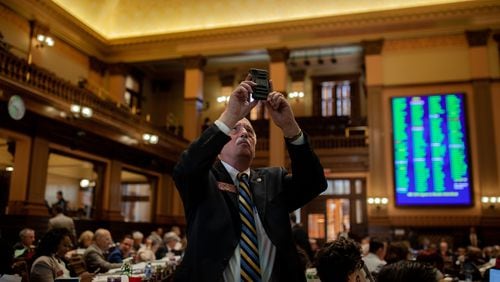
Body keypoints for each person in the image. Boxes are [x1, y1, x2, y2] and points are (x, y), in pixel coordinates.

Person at [172, 74, 327, 281]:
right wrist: (230, 115)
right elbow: (186, 168)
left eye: (250, 131)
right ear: (217, 148)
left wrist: (290, 127)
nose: (244, 133)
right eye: (235, 129)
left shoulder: (273, 180)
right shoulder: (203, 180)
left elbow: (313, 183)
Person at [30, 228, 94, 282]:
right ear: (54, 245)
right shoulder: (42, 262)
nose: (68, 249)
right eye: (65, 245)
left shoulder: (60, 259)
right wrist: (80, 280)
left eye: (69, 246)